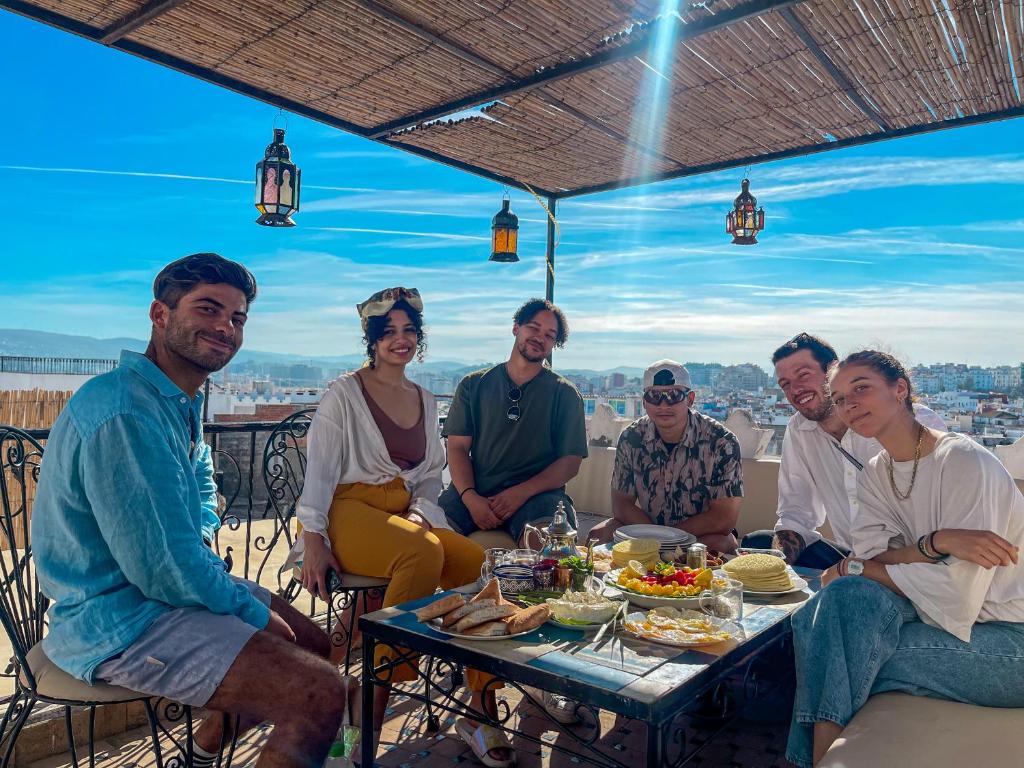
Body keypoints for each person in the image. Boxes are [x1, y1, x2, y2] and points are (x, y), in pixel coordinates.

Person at [32, 253, 352, 768]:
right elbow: (165, 569)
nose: (225, 326)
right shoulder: (126, 411)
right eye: (208, 309)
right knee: (316, 692)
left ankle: (198, 755)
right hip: (117, 619)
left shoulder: (176, 401)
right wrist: (252, 613)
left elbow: (199, 503)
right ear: (160, 315)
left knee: (314, 641)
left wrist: (204, 558)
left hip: (160, 598)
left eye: (237, 317)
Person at [291, 287, 513, 768]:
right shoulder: (343, 394)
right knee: (422, 553)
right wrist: (313, 536)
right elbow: (321, 471)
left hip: (401, 512)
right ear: (370, 339)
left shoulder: (424, 397)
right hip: (347, 508)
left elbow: (431, 474)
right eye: (388, 331)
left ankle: (481, 703)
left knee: (476, 561)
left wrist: (417, 512)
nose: (401, 339)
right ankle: (371, 699)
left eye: (409, 330)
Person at [786, 350, 1024, 767]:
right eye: (840, 398)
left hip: (1008, 641)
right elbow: (874, 556)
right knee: (840, 606)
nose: (849, 405)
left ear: (901, 389)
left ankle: (808, 761)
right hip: (944, 621)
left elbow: (955, 592)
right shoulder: (876, 473)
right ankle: (822, 759)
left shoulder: (963, 462)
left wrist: (857, 567)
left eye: (861, 388)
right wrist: (936, 543)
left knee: (831, 639)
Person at [742, 333, 946, 568]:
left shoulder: (907, 421)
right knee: (759, 543)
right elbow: (796, 513)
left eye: (803, 375)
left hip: (920, 560)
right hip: (854, 557)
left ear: (833, 372)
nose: (795, 389)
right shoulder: (800, 429)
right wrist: (775, 569)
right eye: (785, 384)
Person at [439, 298, 588, 544]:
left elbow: (570, 462)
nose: (540, 337)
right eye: (534, 327)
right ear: (516, 327)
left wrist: (520, 493)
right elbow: (457, 448)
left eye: (550, 335)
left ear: (554, 344)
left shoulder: (565, 393)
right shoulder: (473, 385)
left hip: (539, 496)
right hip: (475, 489)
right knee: (430, 541)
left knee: (548, 548)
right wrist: (470, 497)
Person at [591, 360, 743, 552]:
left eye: (673, 395)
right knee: (597, 536)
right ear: (644, 401)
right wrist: (655, 538)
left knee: (722, 545)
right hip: (646, 531)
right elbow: (621, 504)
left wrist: (670, 539)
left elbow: (723, 518)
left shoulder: (721, 442)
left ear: (690, 399)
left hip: (698, 537)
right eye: (654, 396)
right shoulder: (632, 438)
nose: (663, 405)